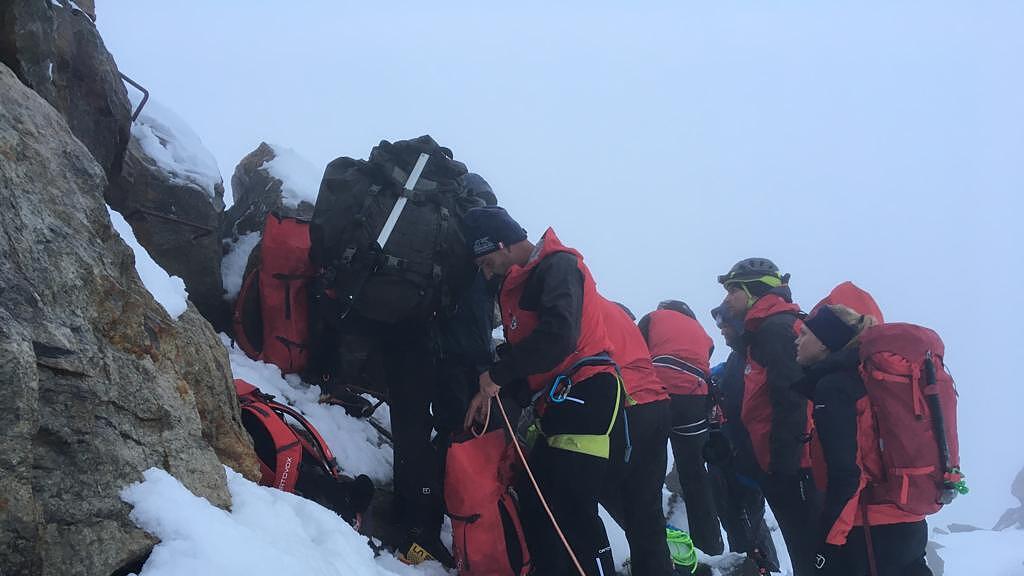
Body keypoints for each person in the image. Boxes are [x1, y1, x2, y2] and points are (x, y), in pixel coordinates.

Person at [461, 206, 624, 576]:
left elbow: (558, 337)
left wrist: (497, 377)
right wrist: (491, 392)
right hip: (560, 400)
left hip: (589, 392)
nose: (488, 273)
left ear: (502, 245)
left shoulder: (558, 265)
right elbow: (533, 358)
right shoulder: (523, 281)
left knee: (570, 509)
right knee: (538, 504)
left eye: (487, 262)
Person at [794, 304, 932, 576]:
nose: (797, 340)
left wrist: (828, 545)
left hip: (870, 528)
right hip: (909, 519)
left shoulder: (834, 387)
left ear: (826, 344)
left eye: (805, 334)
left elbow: (848, 474)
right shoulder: (866, 380)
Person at [718, 257, 820, 576]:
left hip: (795, 467)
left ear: (753, 291)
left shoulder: (775, 329)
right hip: (787, 464)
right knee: (807, 552)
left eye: (733, 290)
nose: (726, 299)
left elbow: (792, 399)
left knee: (810, 553)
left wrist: (781, 467)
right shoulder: (765, 330)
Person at [638, 300, 725, 556]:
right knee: (695, 475)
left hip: (657, 392)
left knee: (648, 467)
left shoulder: (653, 318)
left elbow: (635, 352)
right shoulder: (703, 334)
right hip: (694, 400)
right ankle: (709, 546)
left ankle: (653, 539)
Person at [598, 300, 675, 576]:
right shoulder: (617, 314)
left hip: (625, 406)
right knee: (646, 508)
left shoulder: (574, 301)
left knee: (588, 488)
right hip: (655, 404)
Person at [706, 305, 781, 573]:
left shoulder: (746, 358)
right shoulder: (737, 361)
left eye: (726, 325)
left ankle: (761, 568)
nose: (722, 330)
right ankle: (760, 566)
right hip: (729, 456)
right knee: (739, 519)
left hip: (743, 459)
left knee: (745, 520)